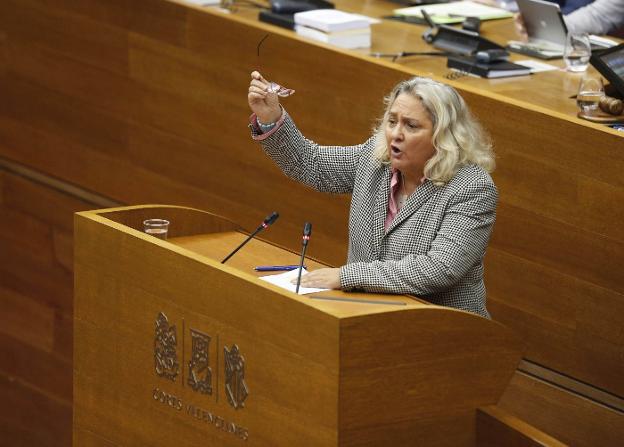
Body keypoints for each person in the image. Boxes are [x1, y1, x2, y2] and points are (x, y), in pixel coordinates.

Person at [247, 72, 497, 318]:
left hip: (443, 330)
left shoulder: (471, 188)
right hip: (364, 316)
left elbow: (439, 269)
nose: (396, 134)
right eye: (392, 121)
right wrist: (271, 117)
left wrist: (347, 276)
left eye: (411, 125)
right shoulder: (375, 159)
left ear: (443, 136)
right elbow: (309, 163)